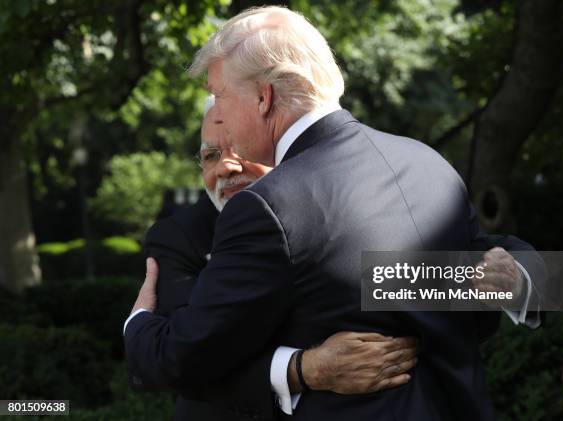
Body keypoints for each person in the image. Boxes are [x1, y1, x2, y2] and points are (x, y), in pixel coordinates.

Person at [125, 6, 545, 420]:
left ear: (263, 97)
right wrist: (521, 282)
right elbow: (417, 286)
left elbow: (188, 357)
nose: (218, 113)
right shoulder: (427, 163)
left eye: (219, 94)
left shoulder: (269, 207)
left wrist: (139, 325)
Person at [141, 103, 420, 420]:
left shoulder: (340, 212)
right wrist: (305, 369)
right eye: (211, 156)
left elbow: (390, 285)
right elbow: (181, 358)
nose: (226, 167)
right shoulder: (177, 237)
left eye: (240, 148)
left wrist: (477, 280)